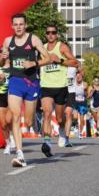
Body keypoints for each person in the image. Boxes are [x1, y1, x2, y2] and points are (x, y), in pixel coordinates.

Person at [0, 12, 54, 168]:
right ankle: (20, 154)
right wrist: (3, 57)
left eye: (21, 24)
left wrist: (33, 64)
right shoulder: (7, 41)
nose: (18, 27)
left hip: (31, 83)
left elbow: (48, 58)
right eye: (15, 25)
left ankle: (36, 126)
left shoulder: (33, 39)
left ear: (25, 25)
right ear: (12, 26)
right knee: (16, 116)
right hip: (15, 81)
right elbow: (2, 62)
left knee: (28, 121)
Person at [38, 25, 79, 154]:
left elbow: (75, 62)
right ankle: (47, 143)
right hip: (46, 86)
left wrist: (60, 61)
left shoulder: (62, 47)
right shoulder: (41, 48)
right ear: (45, 34)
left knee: (60, 119)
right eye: (48, 32)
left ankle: (62, 132)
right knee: (47, 113)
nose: (50, 35)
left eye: (53, 32)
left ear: (57, 35)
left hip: (61, 87)